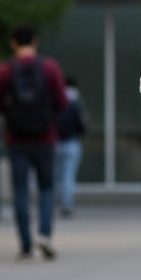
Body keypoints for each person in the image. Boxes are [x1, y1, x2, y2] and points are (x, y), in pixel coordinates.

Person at [0, 24, 68, 261]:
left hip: (16, 139)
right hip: (45, 138)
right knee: (46, 189)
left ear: (13, 43)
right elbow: (62, 102)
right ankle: (44, 235)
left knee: (21, 191)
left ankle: (25, 246)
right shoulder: (49, 68)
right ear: (36, 41)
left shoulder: (4, 71)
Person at [54, 76, 86, 218]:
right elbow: (81, 125)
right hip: (71, 143)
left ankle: (52, 204)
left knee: (55, 177)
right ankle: (66, 205)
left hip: (56, 144)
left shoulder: (55, 101)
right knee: (68, 177)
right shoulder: (75, 104)